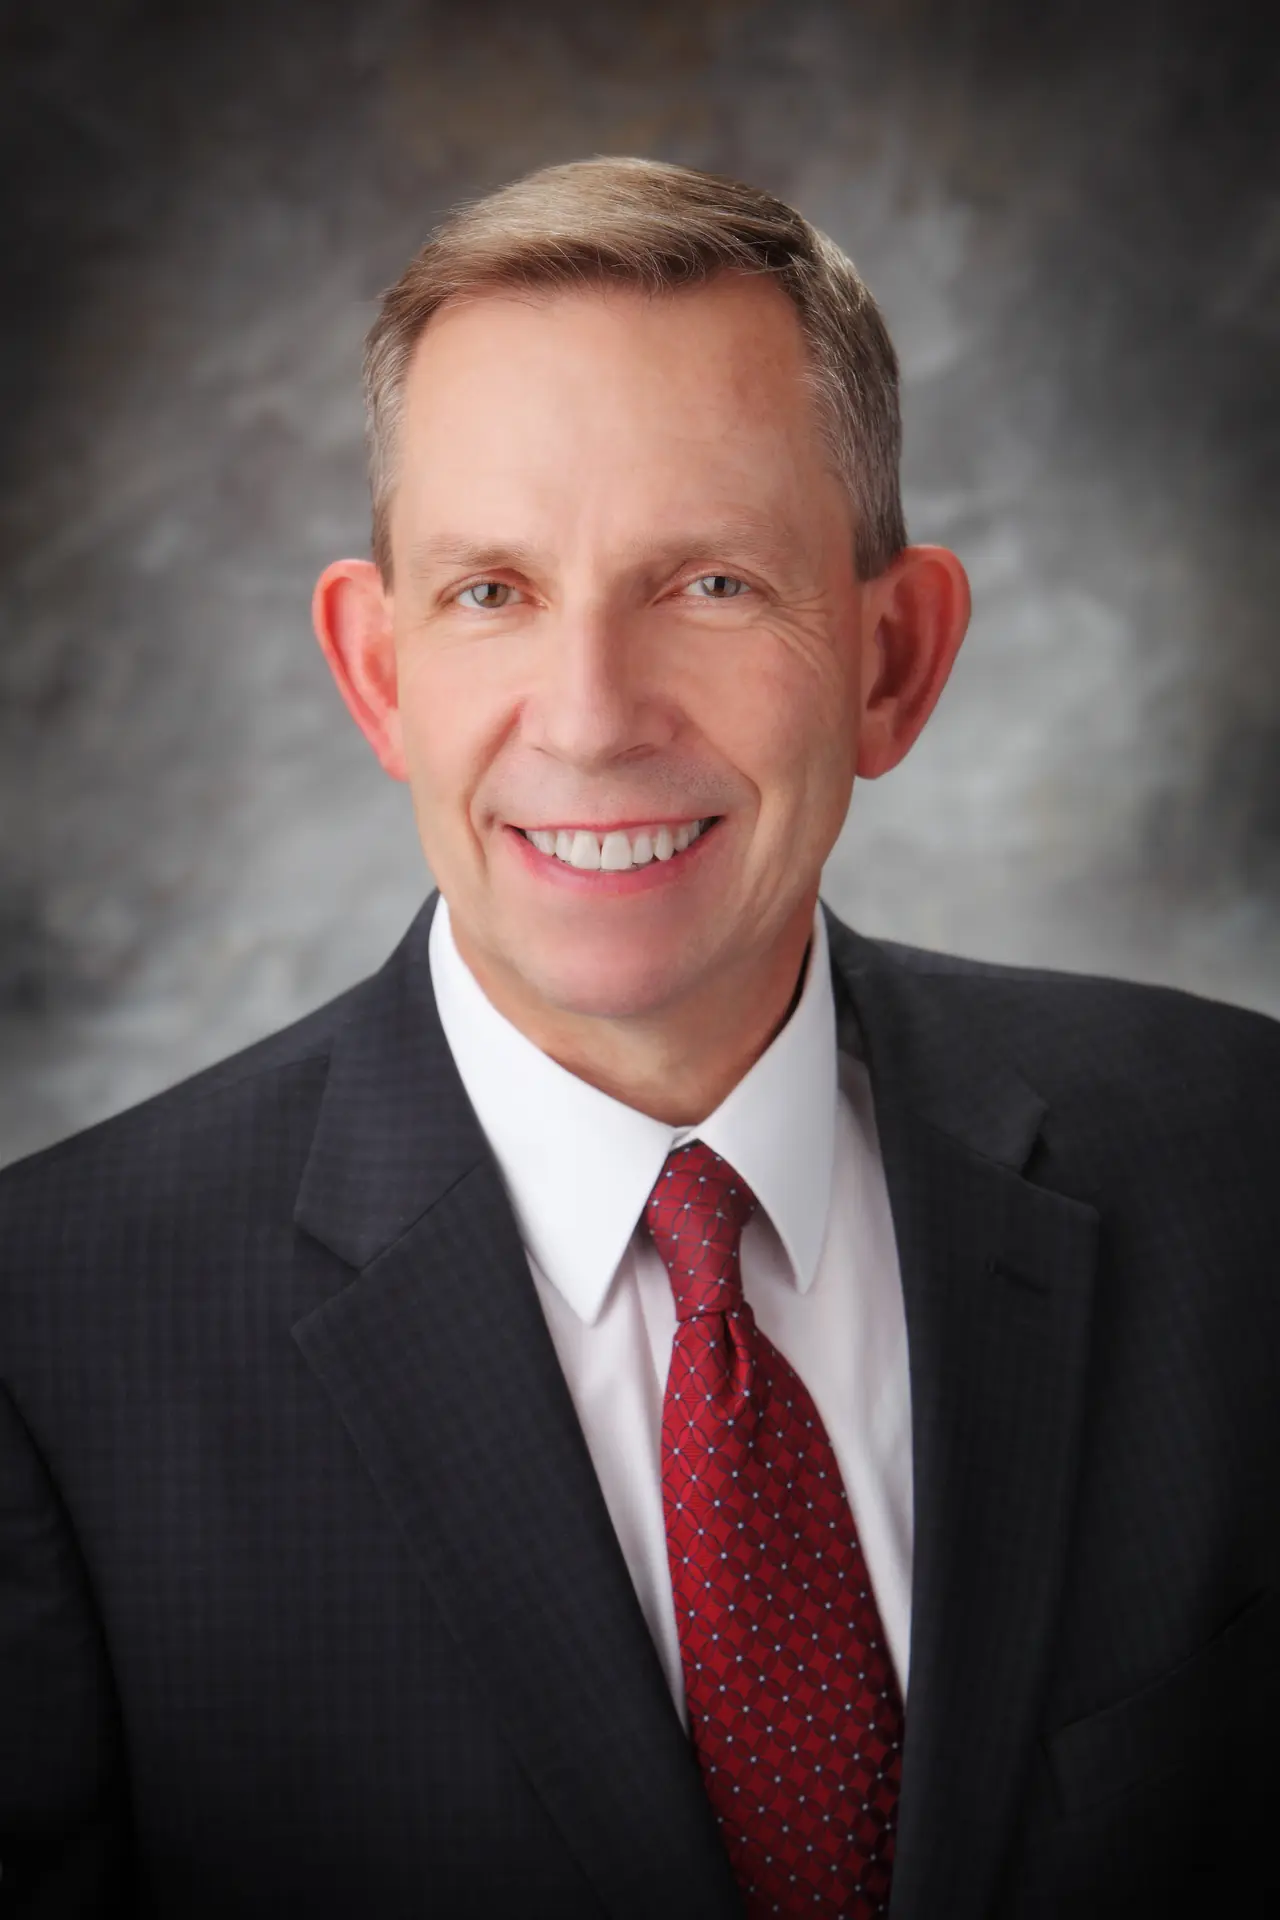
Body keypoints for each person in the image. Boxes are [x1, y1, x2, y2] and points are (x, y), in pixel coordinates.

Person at [0, 156, 1276, 1920]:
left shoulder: (1240, 1167)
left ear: (895, 660)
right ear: (378, 672)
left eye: (713, 584)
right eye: (492, 592)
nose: (593, 719)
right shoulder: (51, 1344)